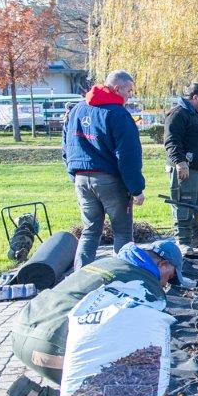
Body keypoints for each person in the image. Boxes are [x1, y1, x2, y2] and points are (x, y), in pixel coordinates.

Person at [0, 240, 184, 396]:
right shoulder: (146, 288)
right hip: (51, 348)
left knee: (120, 389)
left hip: (21, 332)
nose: (166, 284)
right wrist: (153, 395)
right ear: (162, 265)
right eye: (170, 276)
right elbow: (145, 347)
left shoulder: (106, 262)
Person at [63, 70, 145, 268]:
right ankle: (121, 275)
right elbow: (128, 156)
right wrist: (136, 189)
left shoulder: (77, 110)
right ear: (117, 88)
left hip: (82, 178)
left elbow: (66, 145)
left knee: (90, 231)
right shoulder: (118, 115)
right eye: (129, 90)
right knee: (122, 232)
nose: (130, 95)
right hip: (110, 181)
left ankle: (79, 278)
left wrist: (73, 173)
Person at [163, 82, 198, 254]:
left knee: (197, 206)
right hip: (185, 169)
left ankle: (196, 236)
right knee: (184, 203)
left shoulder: (195, 114)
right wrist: (180, 162)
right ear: (194, 97)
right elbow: (172, 141)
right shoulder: (178, 114)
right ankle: (183, 241)